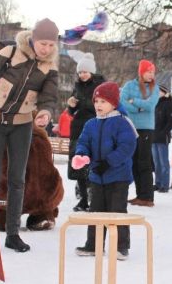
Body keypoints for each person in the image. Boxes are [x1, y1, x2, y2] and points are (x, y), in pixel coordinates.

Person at [0, 20, 59, 255]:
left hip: (21, 125)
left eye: (51, 44)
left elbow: (49, 97)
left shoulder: (50, 68)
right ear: (33, 39)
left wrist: (46, 113)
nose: (46, 49)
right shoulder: (10, 53)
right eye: (42, 43)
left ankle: (12, 234)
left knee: (18, 180)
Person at [72, 82, 137, 260]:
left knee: (117, 211)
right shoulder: (91, 124)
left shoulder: (122, 122)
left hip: (118, 176)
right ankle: (93, 245)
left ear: (114, 103)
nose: (98, 105)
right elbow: (83, 142)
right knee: (96, 212)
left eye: (103, 101)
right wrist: (82, 155)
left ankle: (121, 247)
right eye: (96, 101)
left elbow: (127, 146)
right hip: (96, 176)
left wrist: (109, 162)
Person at [0, 112, 65, 232]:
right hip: (42, 195)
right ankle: (41, 216)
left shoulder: (7, 138)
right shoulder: (42, 140)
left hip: (11, 193)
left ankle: (5, 218)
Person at [66, 50, 104, 211]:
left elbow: (99, 107)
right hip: (77, 129)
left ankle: (94, 198)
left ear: (92, 71)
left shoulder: (100, 86)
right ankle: (83, 198)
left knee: (92, 165)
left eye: (85, 72)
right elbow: (71, 112)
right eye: (80, 72)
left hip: (94, 128)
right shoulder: (77, 87)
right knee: (78, 165)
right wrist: (71, 105)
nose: (82, 75)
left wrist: (81, 101)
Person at [120, 60, 159, 207]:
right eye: (148, 72)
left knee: (145, 162)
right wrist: (138, 108)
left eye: (153, 72)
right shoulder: (129, 85)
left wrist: (134, 100)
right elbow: (123, 102)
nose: (151, 75)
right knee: (134, 162)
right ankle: (140, 195)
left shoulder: (154, 88)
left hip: (146, 128)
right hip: (131, 127)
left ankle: (147, 196)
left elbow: (150, 105)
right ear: (141, 72)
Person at [152, 84, 172, 193]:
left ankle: (164, 185)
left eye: (159, 91)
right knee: (156, 162)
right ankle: (158, 183)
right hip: (153, 137)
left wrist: (163, 132)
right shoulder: (155, 104)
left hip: (162, 138)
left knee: (163, 162)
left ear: (164, 92)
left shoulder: (169, 104)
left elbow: (171, 121)